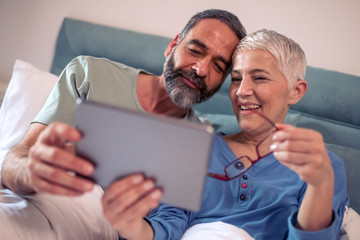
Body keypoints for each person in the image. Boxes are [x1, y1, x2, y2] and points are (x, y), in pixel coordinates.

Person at [0, 8, 246, 239]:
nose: (201, 69)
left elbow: (166, 226)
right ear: (173, 46)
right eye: (195, 50)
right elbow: (17, 158)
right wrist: (31, 174)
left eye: (217, 66)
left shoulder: (196, 144)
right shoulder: (89, 74)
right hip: (32, 201)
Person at [101, 29, 349, 239]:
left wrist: (320, 184)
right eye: (236, 79)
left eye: (259, 78)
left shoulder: (322, 168)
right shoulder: (194, 149)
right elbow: (167, 226)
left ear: (296, 91)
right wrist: (131, 225)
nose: (242, 91)